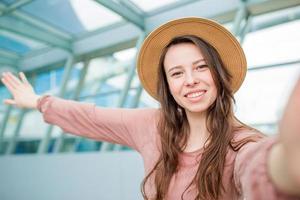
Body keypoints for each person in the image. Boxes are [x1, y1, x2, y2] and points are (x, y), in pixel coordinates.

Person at [1, 17, 300, 200]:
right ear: (168, 85)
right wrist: (39, 102)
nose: (191, 81)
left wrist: (285, 162)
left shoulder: (243, 143)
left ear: (218, 75)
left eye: (201, 67)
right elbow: (89, 116)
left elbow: (262, 167)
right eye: (177, 73)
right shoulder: (151, 124)